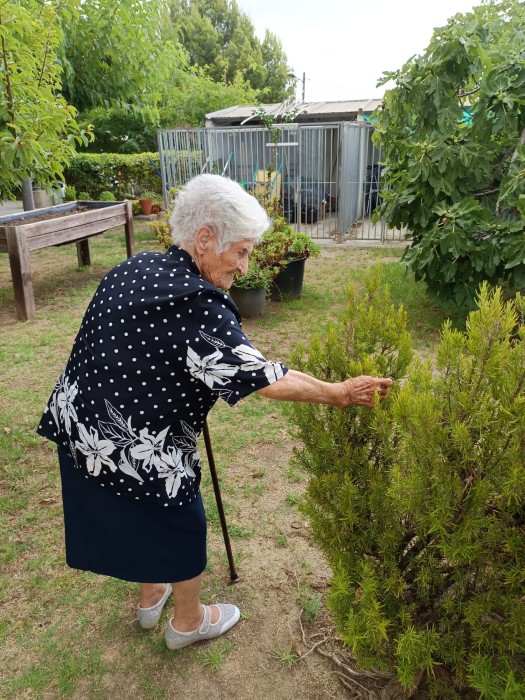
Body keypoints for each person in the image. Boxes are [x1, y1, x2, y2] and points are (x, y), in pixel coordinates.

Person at [37, 174, 392, 651]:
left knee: (134, 509)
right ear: (204, 239)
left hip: (80, 426)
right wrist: (340, 393)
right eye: (240, 252)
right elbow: (266, 378)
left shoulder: (134, 266)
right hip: (135, 443)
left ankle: (151, 594)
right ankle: (188, 622)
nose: (244, 268)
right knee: (180, 520)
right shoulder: (198, 304)